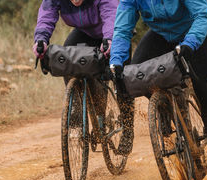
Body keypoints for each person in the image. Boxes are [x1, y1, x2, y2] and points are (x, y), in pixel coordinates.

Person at [110, 0, 207, 162]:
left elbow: (203, 14)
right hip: (161, 35)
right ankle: (166, 106)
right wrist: (116, 61)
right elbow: (122, 29)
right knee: (137, 74)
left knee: (203, 89)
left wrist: (190, 43)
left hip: (192, 32)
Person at [33, 0, 134, 155]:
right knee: (66, 58)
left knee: (121, 78)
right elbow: (47, 13)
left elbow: (110, 13)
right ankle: (77, 108)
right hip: (85, 32)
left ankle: (128, 130)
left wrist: (109, 38)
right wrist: (41, 39)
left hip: (115, 30)